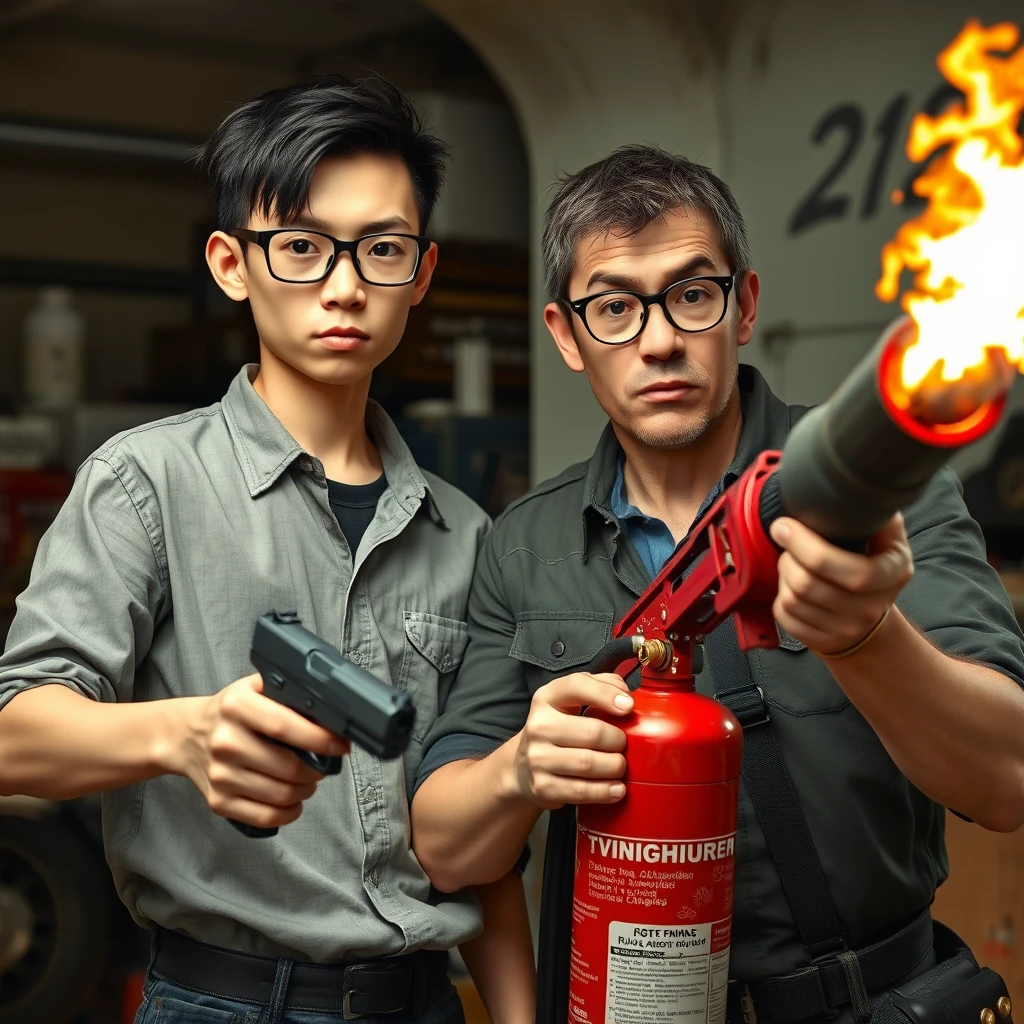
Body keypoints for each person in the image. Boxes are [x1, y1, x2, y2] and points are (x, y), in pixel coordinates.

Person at [410, 144, 1024, 1022]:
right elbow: (444, 848)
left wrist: (866, 637)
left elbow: (1005, 782)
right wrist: (518, 770)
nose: (659, 340)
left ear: (745, 306)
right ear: (566, 336)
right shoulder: (523, 544)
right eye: (614, 308)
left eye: (692, 295)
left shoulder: (887, 494)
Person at [0, 76, 534, 1024]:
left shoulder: (467, 532)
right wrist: (184, 732)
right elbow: (14, 737)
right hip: (223, 1002)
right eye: (299, 246)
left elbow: (481, 851)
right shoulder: (144, 483)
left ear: (421, 271)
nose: (343, 284)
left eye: (381, 249)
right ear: (230, 263)